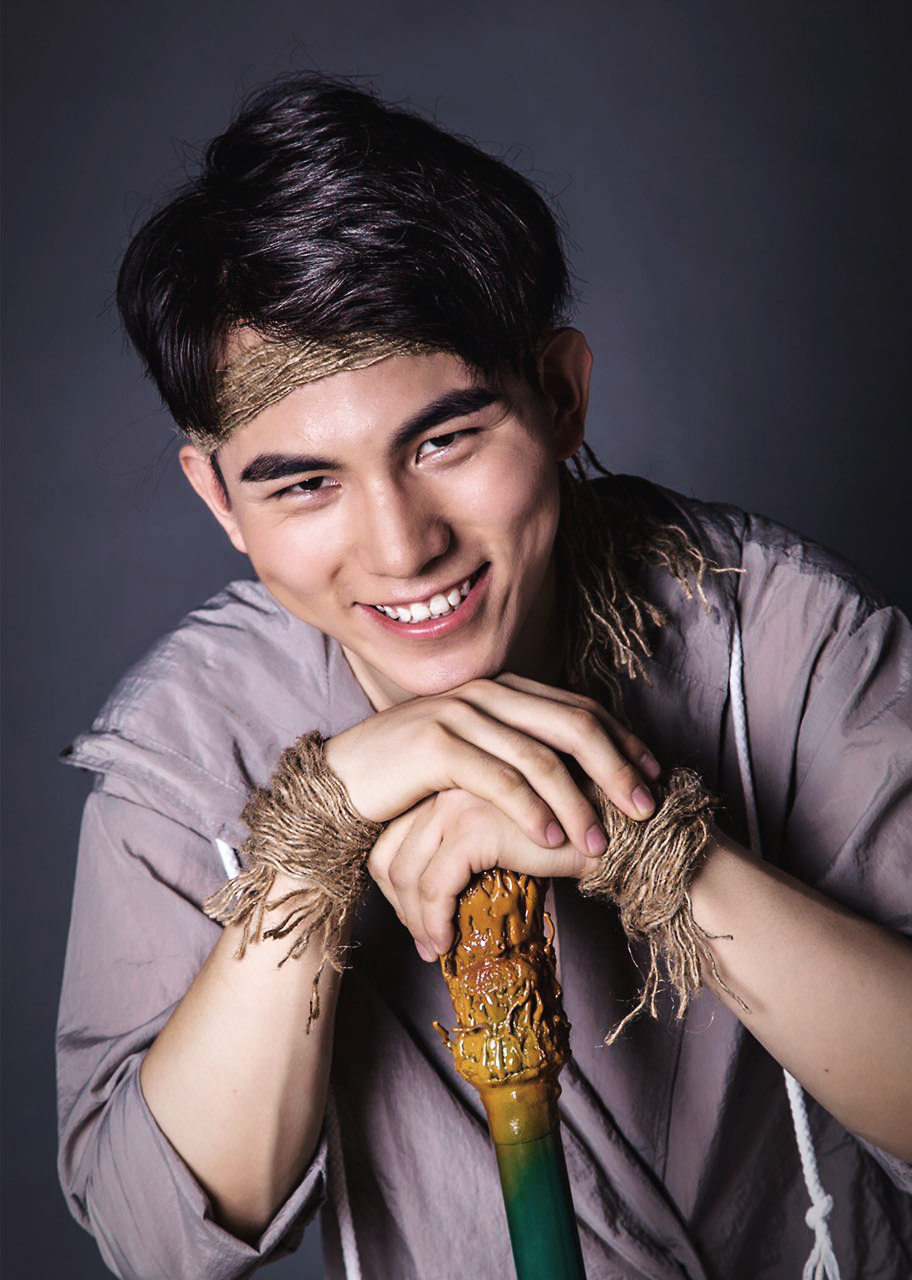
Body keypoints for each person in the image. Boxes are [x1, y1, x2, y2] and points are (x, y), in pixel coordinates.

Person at [57, 74, 912, 1280]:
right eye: (304, 483)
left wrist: (646, 845)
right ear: (220, 499)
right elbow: (156, 1239)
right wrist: (316, 831)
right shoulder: (191, 748)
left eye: (445, 439)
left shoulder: (777, 630)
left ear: (560, 395)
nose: (402, 545)